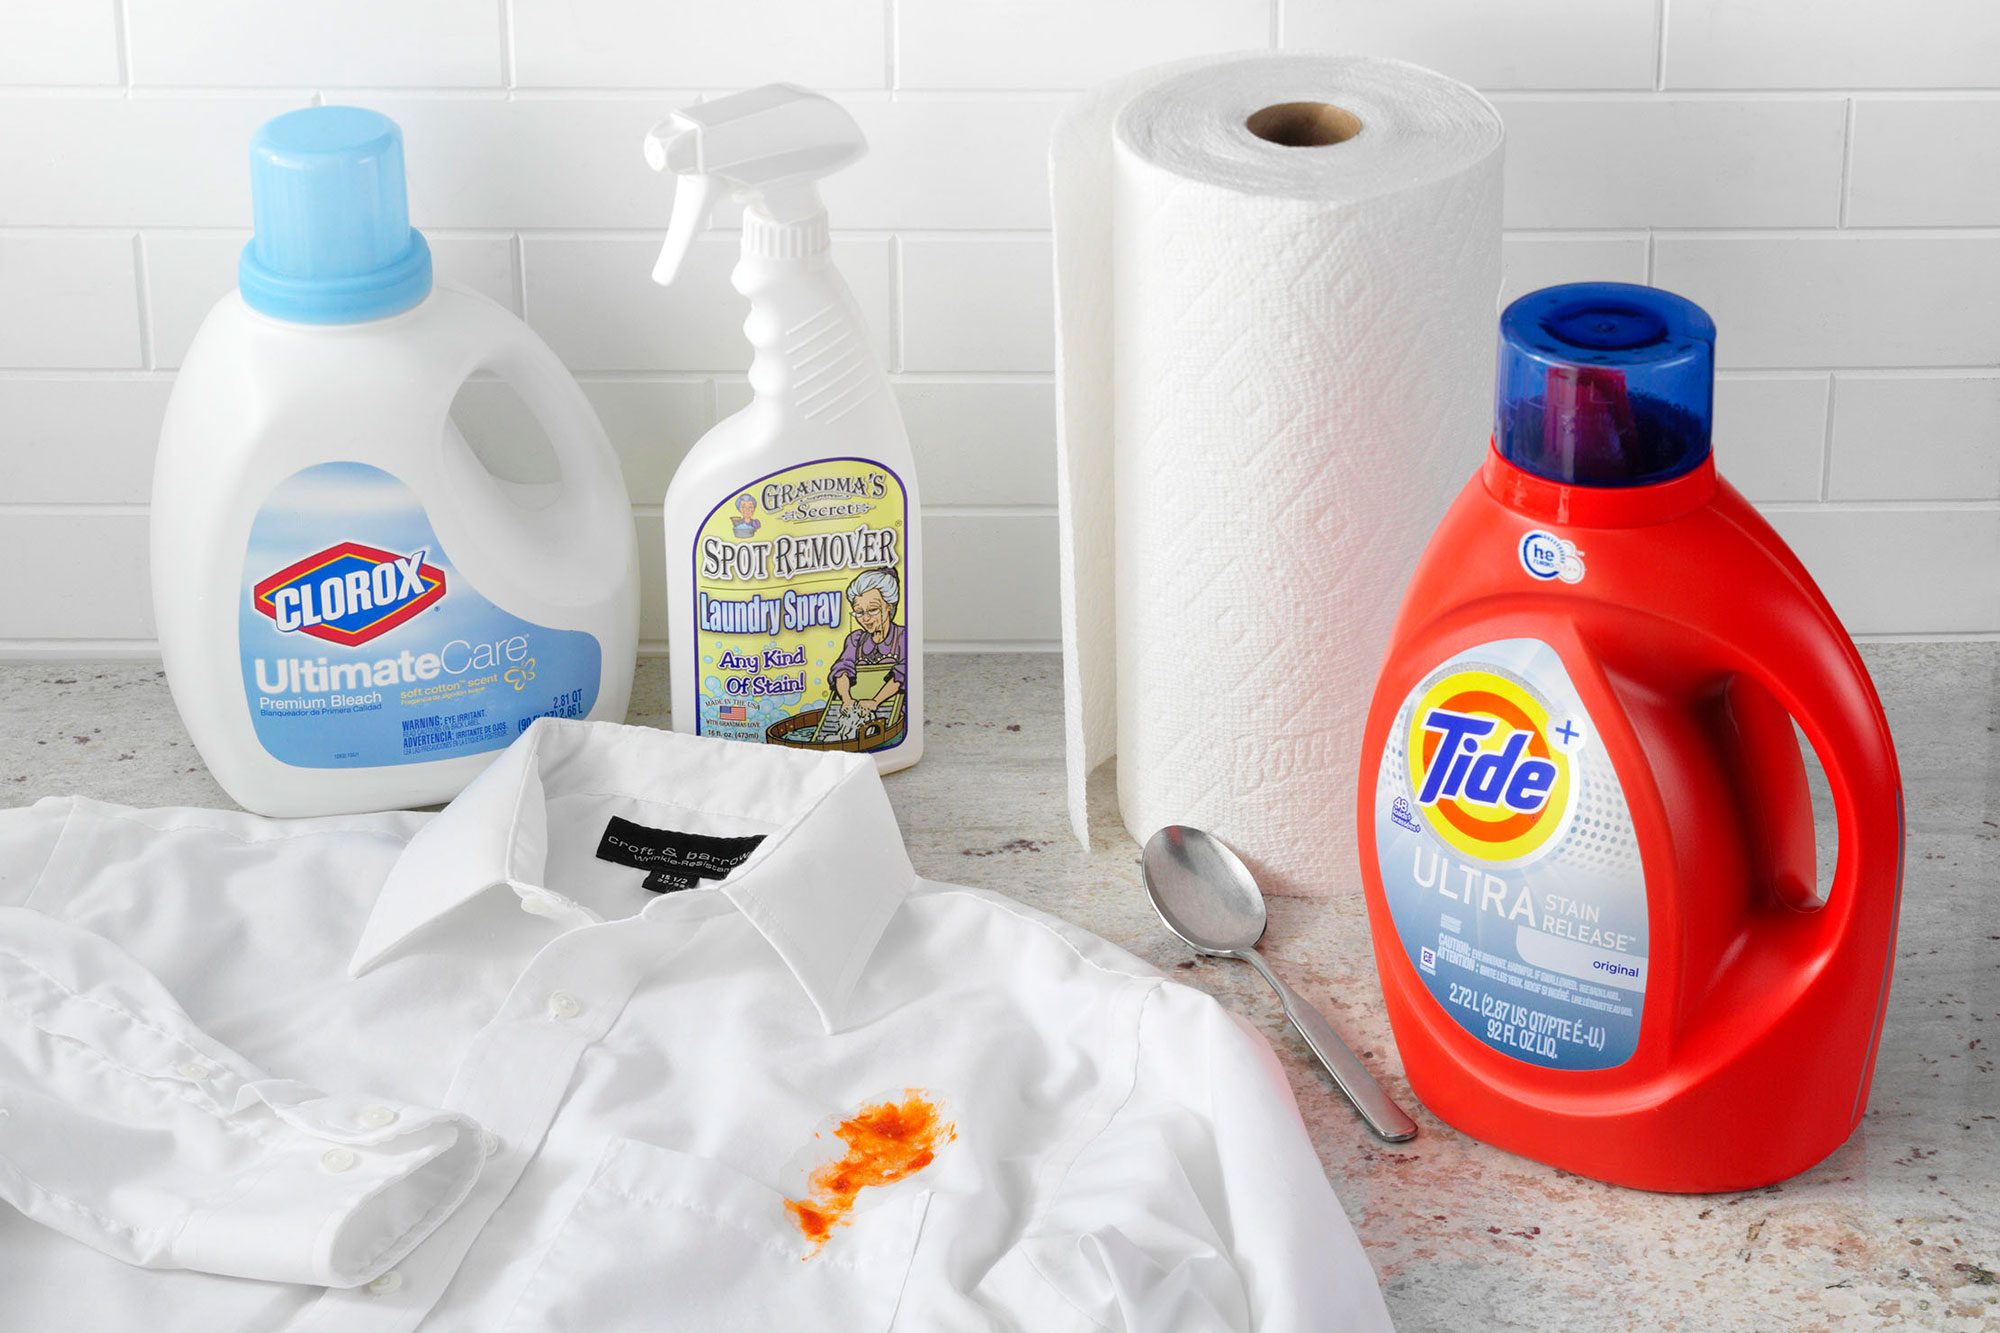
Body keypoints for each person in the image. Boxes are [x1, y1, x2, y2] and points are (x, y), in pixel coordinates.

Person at [830, 568, 906, 713]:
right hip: (859, 714)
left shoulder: (903, 637)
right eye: (859, 612)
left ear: (888, 607)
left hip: (897, 716)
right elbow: (842, 671)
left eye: (872, 610)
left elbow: (903, 673)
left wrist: (875, 701)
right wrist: (846, 699)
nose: (865, 618)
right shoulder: (855, 640)